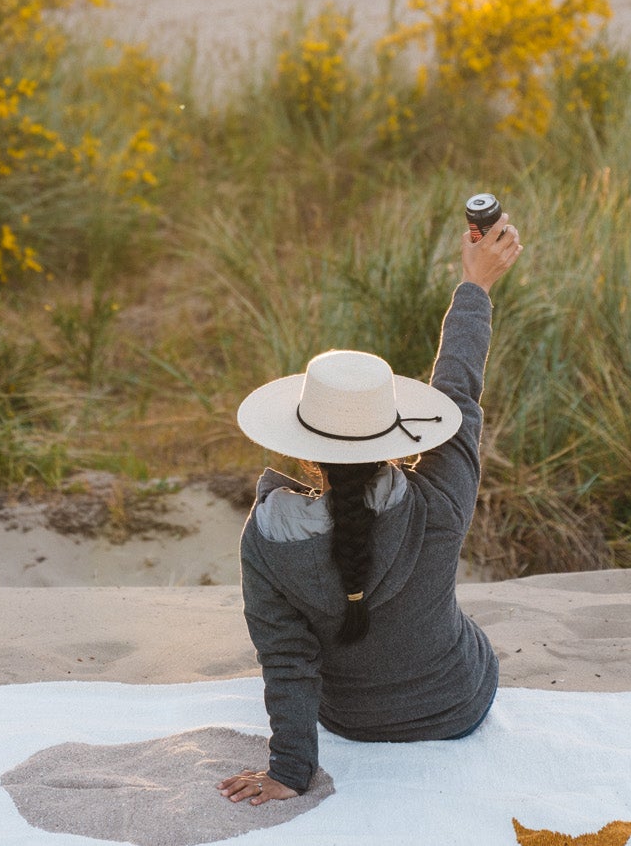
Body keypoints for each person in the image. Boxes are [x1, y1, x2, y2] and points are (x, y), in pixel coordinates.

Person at [218, 214, 522, 806]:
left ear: (307, 454)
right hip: (460, 703)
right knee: (466, 634)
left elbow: (287, 663)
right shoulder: (440, 498)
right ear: (396, 440)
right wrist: (475, 285)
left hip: (350, 721)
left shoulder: (267, 540)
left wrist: (289, 772)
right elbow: (459, 387)